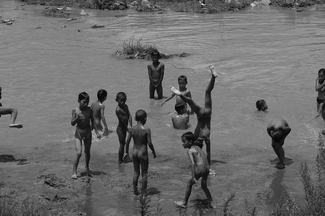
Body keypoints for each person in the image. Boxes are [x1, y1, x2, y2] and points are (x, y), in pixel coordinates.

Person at [170, 65, 217, 165]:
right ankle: (180, 94)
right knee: (193, 100)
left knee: (207, 92)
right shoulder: (198, 137)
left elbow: (206, 153)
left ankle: (213, 76)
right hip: (200, 115)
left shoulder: (204, 138)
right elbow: (207, 153)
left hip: (206, 114)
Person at [175, 132, 215, 209]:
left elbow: (193, 164)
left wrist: (193, 176)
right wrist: (208, 169)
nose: (183, 144)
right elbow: (204, 157)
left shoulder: (190, 151)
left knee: (189, 183)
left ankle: (184, 203)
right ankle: (212, 203)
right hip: (206, 168)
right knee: (204, 186)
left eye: (184, 142)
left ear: (190, 142)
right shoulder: (198, 147)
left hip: (200, 168)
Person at [125, 109, 157, 196]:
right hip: (143, 153)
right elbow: (149, 143)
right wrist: (153, 152)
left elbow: (127, 142)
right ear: (145, 119)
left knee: (136, 173)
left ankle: (135, 192)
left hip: (134, 153)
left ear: (135, 118)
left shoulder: (132, 129)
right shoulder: (147, 130)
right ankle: (143, 193)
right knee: (144, 173)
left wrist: (126, 153)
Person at [71, 92, 100, 179]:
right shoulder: (75, 110)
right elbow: (72, 123)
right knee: (79, 152)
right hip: (79, 132)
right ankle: (74, 172)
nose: (86, 103)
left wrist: (97, 132)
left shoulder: (89, 110)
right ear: (79, 101)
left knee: (87, 151)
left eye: (87, 101)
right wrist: (76, 118)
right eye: (84, 102)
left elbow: (93, 121)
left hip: (88, 132)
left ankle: (87, 168)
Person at [115, 92, 132, 164]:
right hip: (121, 129)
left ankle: (124, 156)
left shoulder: (126, 106)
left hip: (125, 128)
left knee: (124, 143)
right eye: (121, 100)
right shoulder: (118, 109)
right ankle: (120, 159)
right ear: (116, 100)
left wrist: (130, 125)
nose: (122, 102)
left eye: (124, 100)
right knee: (122, 144)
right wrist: (127, 129)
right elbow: (122, 121)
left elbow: (130, 115)